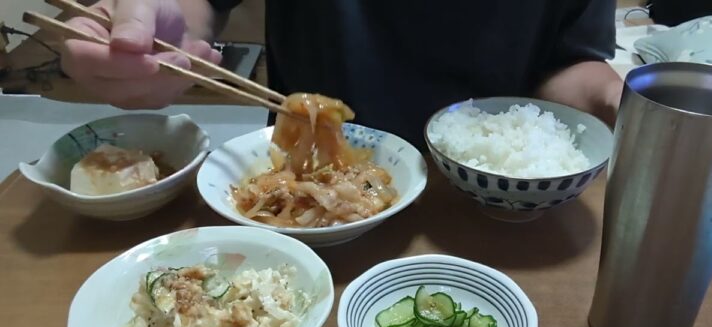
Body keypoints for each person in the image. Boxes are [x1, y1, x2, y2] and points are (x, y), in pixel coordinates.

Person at [62, 0, 623, 148]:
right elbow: (192, 5)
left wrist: (617, 100)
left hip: (493, 204)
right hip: (304, 183)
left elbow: (569, 65)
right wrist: (166, 40)